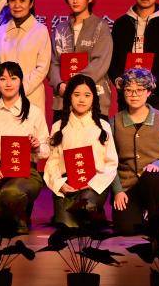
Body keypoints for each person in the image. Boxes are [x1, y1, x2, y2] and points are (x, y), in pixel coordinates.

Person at [0, 62, 50, 234]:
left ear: (20, 81)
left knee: (12, 193)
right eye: (3, 79)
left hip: (26, 172)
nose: (8, 83)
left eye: (13, 78)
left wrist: (37, 146)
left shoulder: (34, 112)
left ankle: (20, 219)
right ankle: (9, 215)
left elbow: (46, 150)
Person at [110, 68, 159, 235]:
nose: (134, 95)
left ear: (148, 92)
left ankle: (155, 216)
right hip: (128, 184)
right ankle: (141, 213)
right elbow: (109, 161)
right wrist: (118, 191)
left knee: (151, 176)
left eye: (140, 90)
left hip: (155, 183)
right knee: (126, 228)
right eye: (129, 90)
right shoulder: (115, 122)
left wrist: (157, 165)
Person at [44, 74, 118, 227]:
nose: (82, 100)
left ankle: (95, 212)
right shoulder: (58, 126)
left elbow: (111, 163)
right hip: (67, 185)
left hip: (93, 184)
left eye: (87, 95)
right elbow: (52, 162)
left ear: (93, 98)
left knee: (87, 207)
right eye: (76, 95)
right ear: (69, 97)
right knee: (67, 227)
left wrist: (93, 183)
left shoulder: (103, 126)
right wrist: (60, 184)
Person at [48, 0, 112, 119]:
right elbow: (53, 62)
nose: (75, 0)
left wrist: (76, 85)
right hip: (63, 99)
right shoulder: (60, 28)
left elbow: (100, 62)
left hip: (94, 98)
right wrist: (59, 85)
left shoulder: (101, 26)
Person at [0, 0, 51, 105]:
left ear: (31, 3)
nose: (17, 5)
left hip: (31, 97)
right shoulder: (0, 32)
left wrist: (20, 89)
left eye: (22, 0)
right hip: (3, 98)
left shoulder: (40, 30)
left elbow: (42, 68)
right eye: (12, 0)